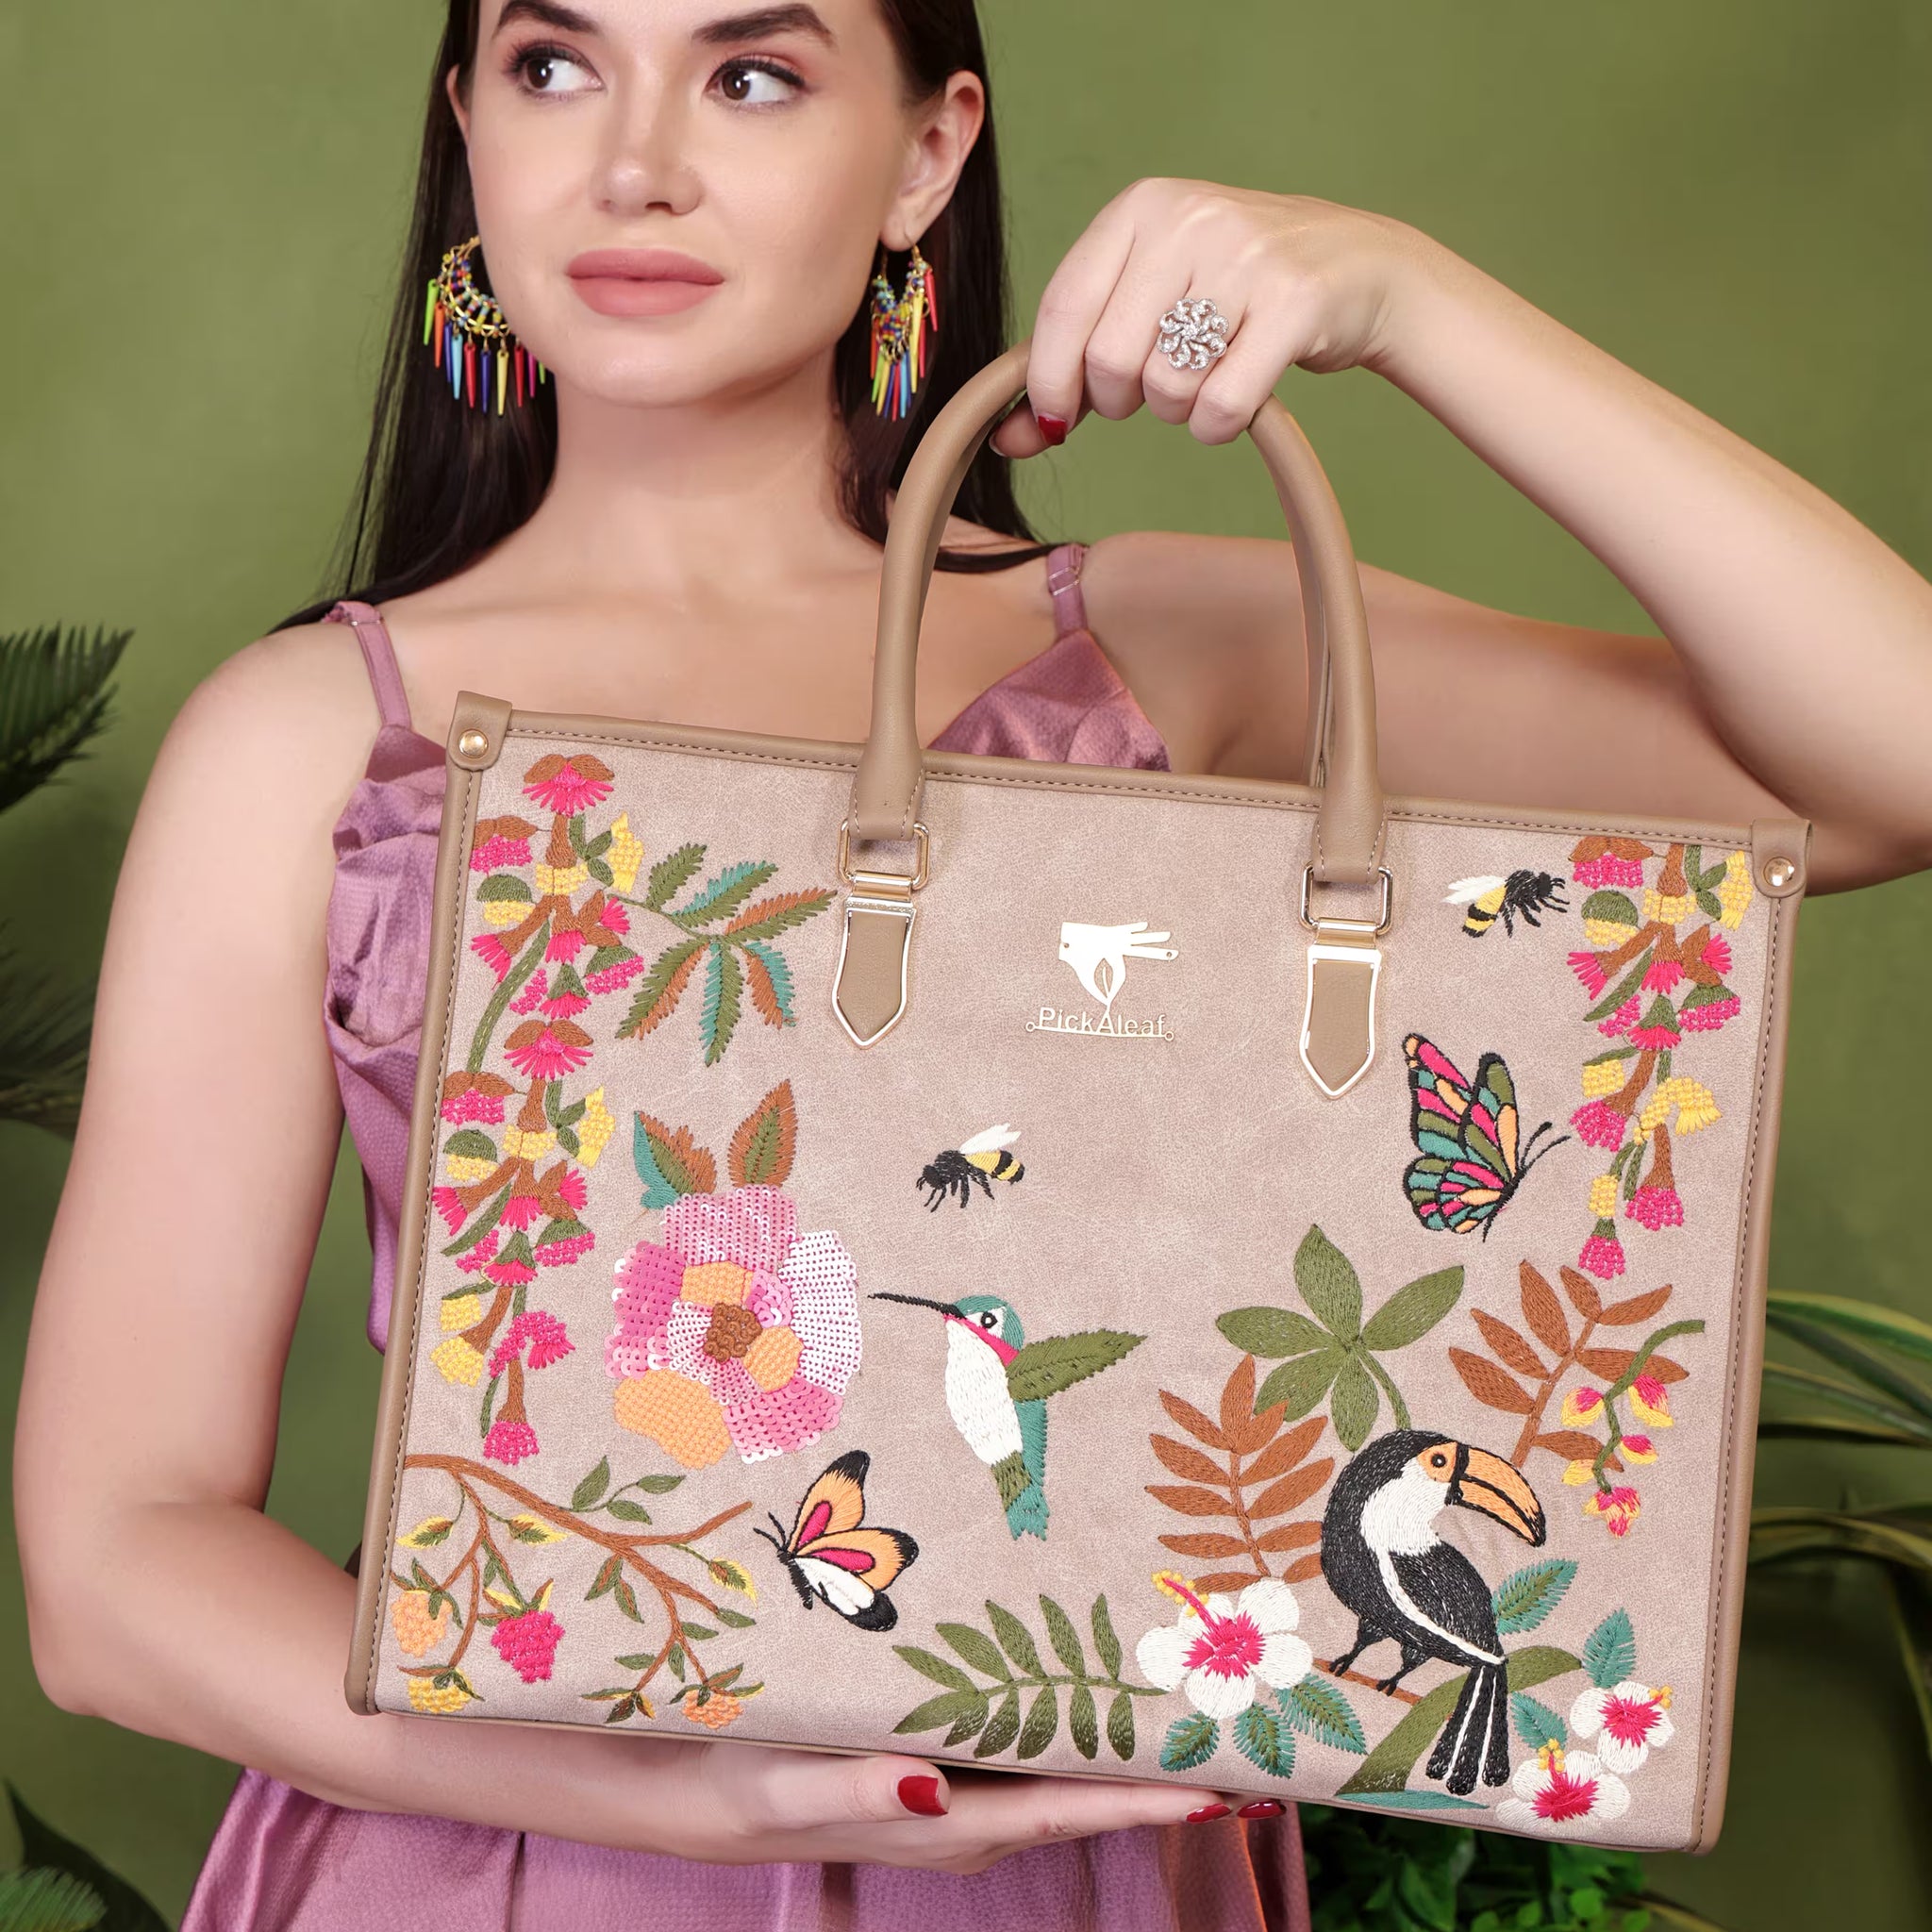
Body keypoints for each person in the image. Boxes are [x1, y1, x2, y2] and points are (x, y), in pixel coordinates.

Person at [14, 0, 1932, 1927]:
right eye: (555, 63)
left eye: (752, 73)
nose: (634, 160)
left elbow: (1895, 757)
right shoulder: (310, 736)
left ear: (928, 154)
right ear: (471, 127)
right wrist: (695, 1798)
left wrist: (1412, 304)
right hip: (504, 1875)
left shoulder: (1163, 650)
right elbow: (114, 1573)